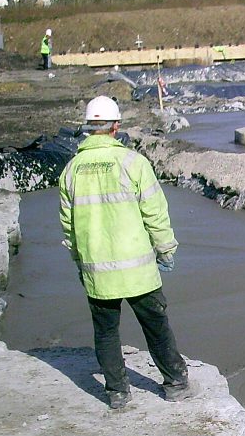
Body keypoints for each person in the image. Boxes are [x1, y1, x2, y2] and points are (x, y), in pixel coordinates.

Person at [59, 95, 198, 410]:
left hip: (97, 272)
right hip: (138, 270)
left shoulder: (71, 170)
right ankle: (176, 384)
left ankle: (118, 393)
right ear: (116, 126)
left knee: (106, 332)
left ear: (87, 128)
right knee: (156, 326)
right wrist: (166, 250)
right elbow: (155, 214)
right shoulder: (133, 163)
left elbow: (68, 226)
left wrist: (80, 262)